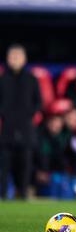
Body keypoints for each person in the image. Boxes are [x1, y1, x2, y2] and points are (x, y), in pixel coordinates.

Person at [0, 44, 42, 200]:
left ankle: (23, 194)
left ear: (24, 59)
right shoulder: (2, 79)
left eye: (18, 56)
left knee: (25, 164)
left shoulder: (31, 79)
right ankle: (3, 195)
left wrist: (29, 114)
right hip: (7, 128)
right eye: (12, 56)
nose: (15, 59)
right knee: (4, 164)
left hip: (26, 128)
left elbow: (39, 101)